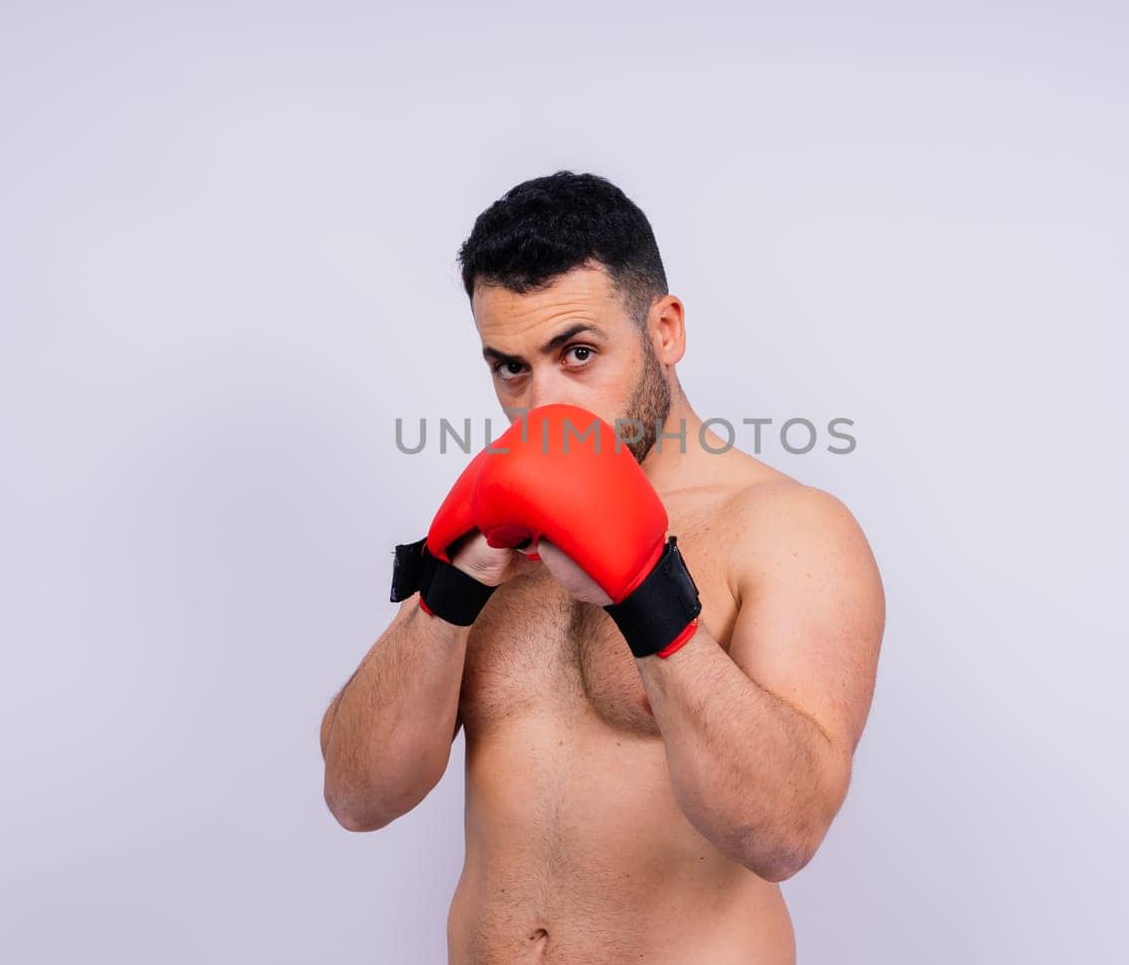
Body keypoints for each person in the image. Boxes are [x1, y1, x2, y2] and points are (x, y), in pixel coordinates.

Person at [320, 171, 885, 963]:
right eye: (510, 367)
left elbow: (784, 833)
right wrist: (449, 589)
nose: (543, 404)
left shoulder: (789, 530)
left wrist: (647, 595)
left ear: (666, 330)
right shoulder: (495, 532)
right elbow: (356, 795)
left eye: (577, 353)